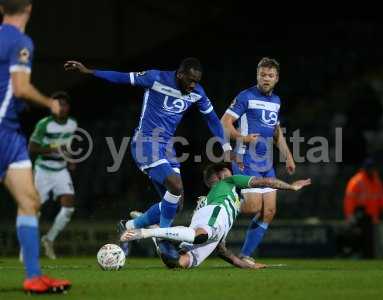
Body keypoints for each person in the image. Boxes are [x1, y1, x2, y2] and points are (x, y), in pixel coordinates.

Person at [64, 58, 232, 232]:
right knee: (176, 186)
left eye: (196, 81)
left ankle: (129, 226)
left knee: (177, 204)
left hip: (167, 147)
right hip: (145, 143)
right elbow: (122, 77)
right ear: (180, 74)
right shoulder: (155, 78)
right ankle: (163, 234)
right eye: (190, 80)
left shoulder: (198, 92)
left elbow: (212, 120)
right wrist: (90, 71)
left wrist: (226, 147)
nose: (192, 85)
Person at [0, 0, 70, 293]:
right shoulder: (20, 41)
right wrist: (50, 103)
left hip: (11, 134)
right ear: (28, 8)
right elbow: (21, 88)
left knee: (30, 201)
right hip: (3, 131)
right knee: (29, 203)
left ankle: (33, 276)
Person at [120, 163, 311, 269]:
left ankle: (156, 232)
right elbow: (265, 181)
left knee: (176, 263)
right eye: (228, 169)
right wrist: (291, 186)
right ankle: (145, 232)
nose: (233, 171)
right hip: (210, 219)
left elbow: (222, 252)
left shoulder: (223, 197)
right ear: (221, 176)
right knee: (201, 234)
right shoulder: (229, 181)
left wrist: (248, 266)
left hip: (210, 225)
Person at [221, 57, 296, 262]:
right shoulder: (245, 96)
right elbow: (224, 123)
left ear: (277, 78)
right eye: (263, 75)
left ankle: (245, 255)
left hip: (266, 163)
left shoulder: (276, 101)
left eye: (270, 76)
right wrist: (242, 138)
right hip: (245, 159)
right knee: (253, 207)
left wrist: (288, 156)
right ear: (257, 75)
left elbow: (276, 131)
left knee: (269, 211)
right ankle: (214, 208)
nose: (266, 79)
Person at [29, 91, 77, 259]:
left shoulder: (72, 124)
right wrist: (53, 149)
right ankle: (27, 247)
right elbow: (32, 148)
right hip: (43, 170)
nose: (60, 108)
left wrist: (70, 159)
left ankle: (49, 239)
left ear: (68, 107)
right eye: (57, 105)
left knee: (69, 206)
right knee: (35, 210)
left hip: (60, 169)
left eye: (63, 104)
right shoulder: (44, 124)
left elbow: (67, 146)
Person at [344, 158, 383, 224]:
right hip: (360, 217)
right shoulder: (356, 181)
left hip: (373, 218)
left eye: (372, 168)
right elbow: (349, 199)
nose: (371, 170)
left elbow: (382, 197)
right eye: (369, 168)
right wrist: (350, 215)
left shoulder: (376, 181)